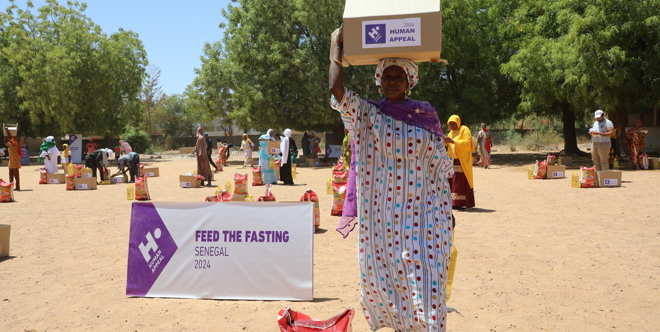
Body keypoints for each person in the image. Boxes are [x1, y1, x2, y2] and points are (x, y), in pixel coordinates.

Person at [330, 26, 455, 332]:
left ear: (409, 81)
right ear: (379, 81)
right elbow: (336, 91)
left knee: (427, 281)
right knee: (387, 282)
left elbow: (440, 168)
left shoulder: (425, 115)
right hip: (383, 221)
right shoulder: (367, 115)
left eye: (399, 76)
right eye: (387, 76)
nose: (392, 81)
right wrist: (336, 46)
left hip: (425, 217)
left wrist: (448, 214)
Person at [445, 115, 476, 209]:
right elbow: (448, 146)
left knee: (461, 181)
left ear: (458, 122)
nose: (451, 126)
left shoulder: (464, 129)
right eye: (449, 124)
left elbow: (467, 143)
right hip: (452, 160)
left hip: (462, 161)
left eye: (453, 123)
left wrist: (453, 141)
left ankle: (463, 202)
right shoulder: (451, 133)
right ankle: (454, 202)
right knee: (453, 181)